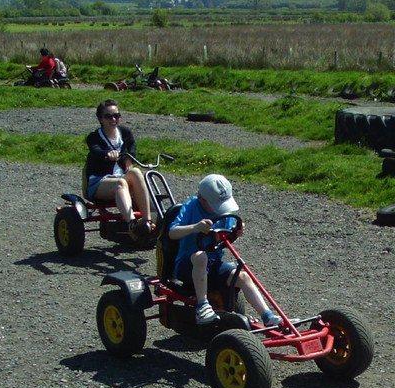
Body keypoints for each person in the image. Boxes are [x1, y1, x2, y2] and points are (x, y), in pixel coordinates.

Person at [166, 174, 280, 326]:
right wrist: (195, 227)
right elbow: (172, 232)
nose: (219, 208)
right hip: (187, 266)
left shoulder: (225, 212)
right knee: (201, 256)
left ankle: (268, 317)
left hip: (214, 264)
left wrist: (236, 232)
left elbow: (224, 239)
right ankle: (202, 306)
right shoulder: (192, 206)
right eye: (216, 204)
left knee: (243, 277)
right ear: (201, 199)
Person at [84, 99, 154, 240]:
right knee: (120, 183)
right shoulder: (94, 137)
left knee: (136, 172)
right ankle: (132, 224)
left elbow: (132, 148)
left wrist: (129, 159)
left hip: (121, 177)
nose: (113, 119)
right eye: (108, 116)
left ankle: (147, 221)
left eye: (116, 115)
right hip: (99, 182)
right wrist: (107, 154)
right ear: (100, 119)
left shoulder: (125, 133)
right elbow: (95, 151)